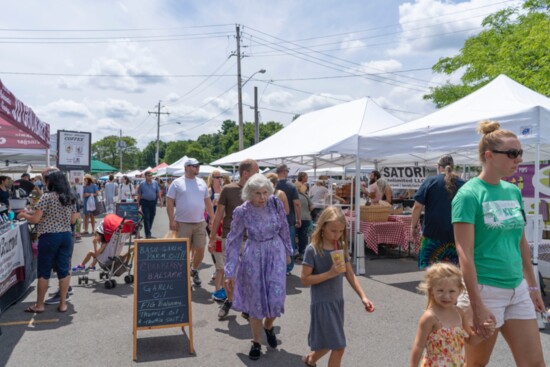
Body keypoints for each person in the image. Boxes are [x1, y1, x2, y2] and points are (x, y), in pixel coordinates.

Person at [452, 120, 545, 366]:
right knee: (476, 364)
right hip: (485, 290)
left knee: (535, 364)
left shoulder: (512, 191)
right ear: (489, 155)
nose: (519, 159)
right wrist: (476, 304)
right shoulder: (469, 194)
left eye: (520, 153)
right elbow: (465, 254)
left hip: (518, 290)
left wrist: (532, 286)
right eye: (513, 153)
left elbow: (520, 241)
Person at [224, 173, 293, 360]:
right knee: (256, 302)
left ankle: (268, 326)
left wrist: (288, 251)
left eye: (265, 192)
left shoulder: (275, 203)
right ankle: (255, 342)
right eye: (257, 193)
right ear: (248, 193)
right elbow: (233, 240)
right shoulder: (242, 211)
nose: (262, 197)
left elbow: (284, 227)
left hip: (275, 251)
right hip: (253, 255)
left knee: (277, 298)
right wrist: (229, 271)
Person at [300, 206, 375, 367]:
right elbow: (305, 280)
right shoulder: (312, 250)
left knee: (329, 342)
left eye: (341, 231)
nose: (337, 235)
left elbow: (349, 274)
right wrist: (330, 273)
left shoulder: (339, 246)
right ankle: (311, 359)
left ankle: (311, 359)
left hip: (336, 302)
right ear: (322, 227)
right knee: (339, 346)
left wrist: (363, 296)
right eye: (333, 230)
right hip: (322, 303)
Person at [409, 263, 493, 366]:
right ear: (431, 290)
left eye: (452, 291)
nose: (446, 296)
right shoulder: (430, 317)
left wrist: (484, 332)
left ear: (459, 291)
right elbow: (418, 346)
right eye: (440, 290)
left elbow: (470, 340)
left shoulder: (459, 313)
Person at [18, 171, 78, 313]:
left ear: (52, 182)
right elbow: (73, 220)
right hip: (66, 236)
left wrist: (24, 214)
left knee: (44, 271)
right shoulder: (70, 197)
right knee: (64, 270)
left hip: (49, 236)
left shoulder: (47, 197)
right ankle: (63, 304)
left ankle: (39, 305)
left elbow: (35, 219)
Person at [209, 159, 259, 319]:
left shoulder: (258, 191)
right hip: (230, 238)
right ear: (246, 173)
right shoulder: (228, 190)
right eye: (256, 171)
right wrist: (212, 238)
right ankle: (230, 301)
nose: (258, 175)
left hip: (251, 239)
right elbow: (218, 216)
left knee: (250, 275)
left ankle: (246, 305)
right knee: (230, 275)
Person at [411, 154, 465, 269]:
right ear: (453, 167)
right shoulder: (463, 184)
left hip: (432, 234)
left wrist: (413, 227)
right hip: (455, 235)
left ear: (438, 167)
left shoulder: (430, 181)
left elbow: (417, 207)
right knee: (452, 272)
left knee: (431, 272)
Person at [167, 158, 214, 287]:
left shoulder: (202, 183)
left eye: (198, 166)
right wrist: (171, 220)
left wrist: (213, 219)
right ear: (187, 167)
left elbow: (207, 202)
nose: (198, 168)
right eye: (195, 166)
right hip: (182, 223)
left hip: (200, 222)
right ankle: (182, 274)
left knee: (200, 249)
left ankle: (194, 270)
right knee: (183, 252)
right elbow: (169, 202)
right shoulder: (177, 183)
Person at [275, 164, 301, 275]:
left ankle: (277, 266)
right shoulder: (291, 186)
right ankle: (288, 268)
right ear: (285, 172)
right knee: (289, 243)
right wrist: (298, 218)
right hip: (288, 219)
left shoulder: (271, 186)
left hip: (273, 220)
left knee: (275, 244)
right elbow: (297, 204)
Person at [206, 169, 225, 301]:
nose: (219, 179)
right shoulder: (209, 191)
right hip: (212, 222)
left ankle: (219, 269)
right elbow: (205, 209)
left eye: (220, 177)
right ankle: (218, 268)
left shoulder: (224, 190)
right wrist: (213, 204)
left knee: (221, 247)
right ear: (211, 178)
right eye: (216, 177)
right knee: (214, 246)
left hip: (223, 221)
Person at [137, 171, 162, 239]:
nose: (150, 176)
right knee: (146, 217)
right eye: (148, 175)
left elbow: (158, 192)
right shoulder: (142, 184)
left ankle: (148, 230)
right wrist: (138, 203)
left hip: (153, 202)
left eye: (150, 175)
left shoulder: (155, 183)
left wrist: (161, 201)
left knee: (152, 216)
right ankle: (148, 234)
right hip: (145, 202)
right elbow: (139, 194)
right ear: (145, 176)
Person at [296, 182, 313, 259]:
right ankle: (302, 253)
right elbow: (311, 207)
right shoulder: (305, 196)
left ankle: (295, 251)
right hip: (306, 218)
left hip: (296, 218)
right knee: (303, 236)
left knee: (295, 235)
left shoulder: (293, 196)